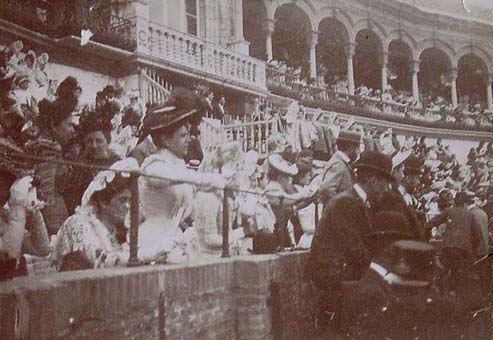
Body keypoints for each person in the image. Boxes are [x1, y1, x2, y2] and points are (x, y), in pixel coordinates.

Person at [306, 150, 394, 332]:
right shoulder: (346, 203)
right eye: (385, 183)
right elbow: (355, 249)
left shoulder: (356, 202)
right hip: (334, 279)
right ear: (373, 180)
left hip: (341, 275)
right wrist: (383, 274)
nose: (386, 189)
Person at [138, 88, 225, 263]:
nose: (189, 139)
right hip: (152, 238)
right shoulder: (154, 164)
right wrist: (206, 179)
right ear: (165, 139)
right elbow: (171, 176)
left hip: (175, 237)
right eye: (183, 135)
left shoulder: (178, 166)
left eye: (189, 135)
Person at [51, 159, 138, 271]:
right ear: (103, 203)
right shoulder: (79, 223)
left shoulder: (116, 231)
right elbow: (100, 261)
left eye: (130, 200)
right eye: (122, 200)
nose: (128, 206)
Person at [24, 78, 79, 235]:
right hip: (52, 216)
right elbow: (46, 195)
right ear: (54, 126)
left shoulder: (53, 147)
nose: (73, 130)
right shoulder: (47, 149)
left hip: (58, 209)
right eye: (69, 125)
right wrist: (55, 230)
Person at [64, 108, 121, 214]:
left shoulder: (117, 164)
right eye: (89, 141)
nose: (94, 146)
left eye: (99, 141)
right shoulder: (79, 166)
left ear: (107, 141)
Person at [319, 130, 360, 206]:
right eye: (357, 149)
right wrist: (341, 207)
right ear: (351, 148)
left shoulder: (339, 162)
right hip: (335, 215)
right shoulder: (339, 165)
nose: (358, 152)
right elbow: (326, 190)